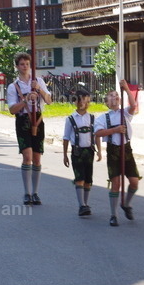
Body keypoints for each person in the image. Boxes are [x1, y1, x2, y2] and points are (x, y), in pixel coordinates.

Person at [6, 53, 52, 205]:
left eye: (27, 63)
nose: (25, 66)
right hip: (23, 121)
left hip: (37, 120)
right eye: (21, 64)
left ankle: (36, 192)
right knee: (27, 156)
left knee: (37, 158)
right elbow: (12, 109)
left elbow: (49, 101)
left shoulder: (38, 81)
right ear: (17, 66)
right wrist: (25, 100)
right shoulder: (13, 87)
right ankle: (26, 192)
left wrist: (39, 89)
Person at [95, 79, 141, 227]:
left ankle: (126, 204)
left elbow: (134, 105)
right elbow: (98, 133)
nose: (115, 97)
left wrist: (127, 89)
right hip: (113, 150)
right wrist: (115, 130)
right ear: (107, 102)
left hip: (126, 149)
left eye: (116, 95)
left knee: (134, 181)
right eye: (111, 95)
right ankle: (113, 215)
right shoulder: (103, 117)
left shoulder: (125, 113)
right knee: (116, 184)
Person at [63, 90, 102, 218]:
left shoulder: (91, 118)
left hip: (89, 151)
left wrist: (100, 151)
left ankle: (86, 203)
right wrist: (64, 154)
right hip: (77, 152)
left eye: (87, 100)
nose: (84, 103)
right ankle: (81, 205)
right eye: (82, 100)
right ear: (76, 101)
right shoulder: (70, 119)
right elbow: (66, 137)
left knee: (88, 179)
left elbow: (96, 135)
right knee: (79, 178)